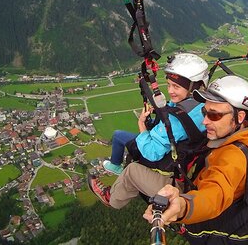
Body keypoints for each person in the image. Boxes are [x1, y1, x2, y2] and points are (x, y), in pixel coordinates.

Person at [143, 38, 248, 237]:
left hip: (215, 207)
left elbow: (215, 194)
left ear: (239, 117)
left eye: (214, 115)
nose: (205, 122)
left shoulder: (231, 157)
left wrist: (183, 206)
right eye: (205, 112)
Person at [88, 53, 209, 206]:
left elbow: (152, 153)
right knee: (126, 142)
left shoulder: (179, 120)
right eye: (169, 85)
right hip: (186, 168)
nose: (170, 91)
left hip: (174, 182)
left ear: (194, 87)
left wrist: (141, 125)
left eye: (176, 87)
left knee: (132, 170)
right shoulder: (204, 105)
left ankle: (111, 199)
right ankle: (119, 171)